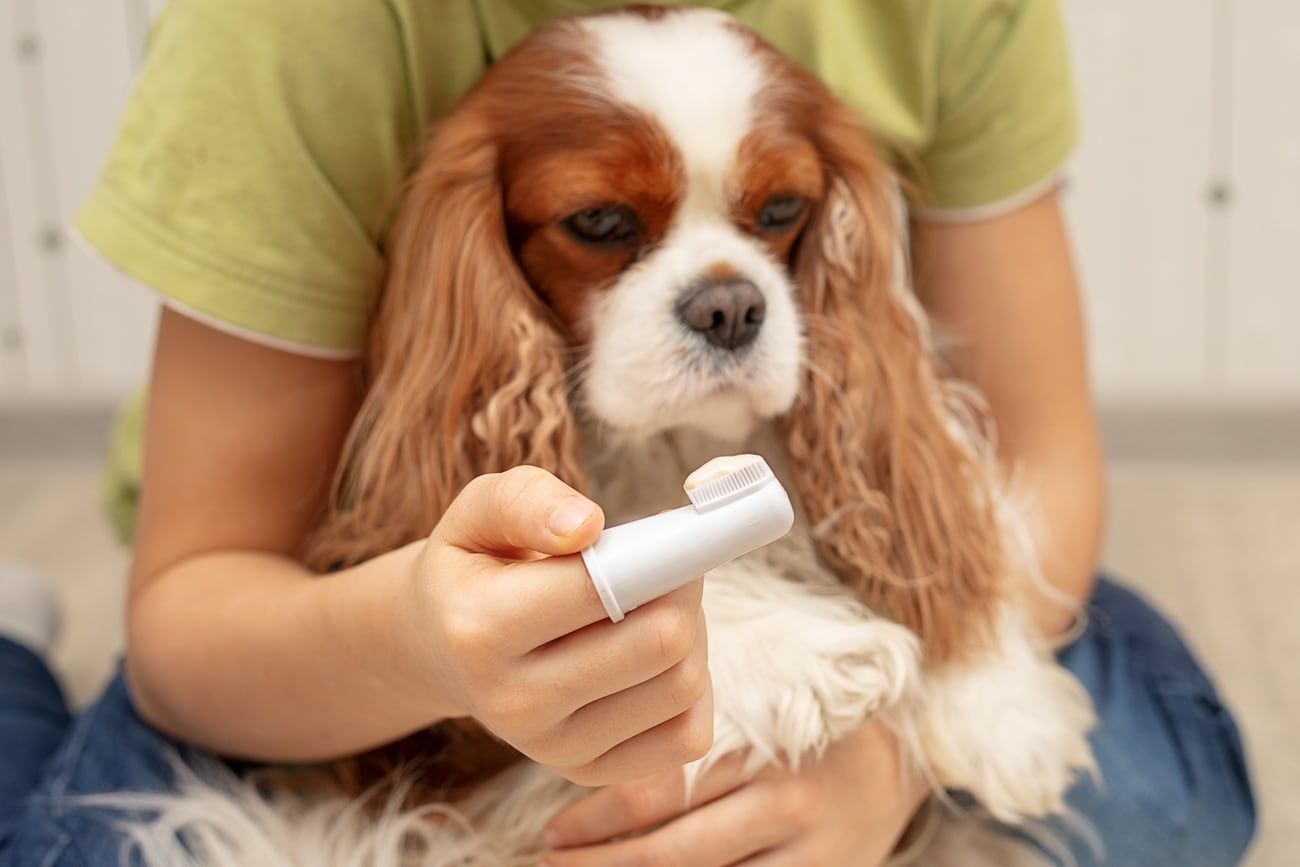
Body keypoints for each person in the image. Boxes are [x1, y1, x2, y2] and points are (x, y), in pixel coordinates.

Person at [0, 1, 1256, 864]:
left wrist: (896, 759)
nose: (726, 292)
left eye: (773, 220)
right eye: (605, 225)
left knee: (1156, 799)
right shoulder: (289, 29)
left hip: (831, 528)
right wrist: (429, 646)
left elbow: (1033, 468)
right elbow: (194, 621)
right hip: (309, 607)